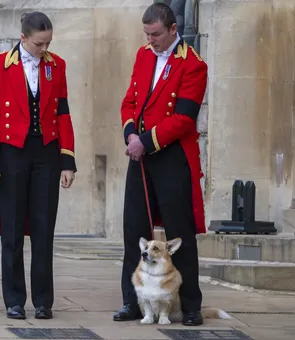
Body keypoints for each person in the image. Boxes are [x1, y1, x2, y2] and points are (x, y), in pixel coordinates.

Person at [113, 3, 208, 326]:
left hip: (171, 156)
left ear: (172, 29)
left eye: (155, 34)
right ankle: (133, 301)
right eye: (147, 34)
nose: (150, 40)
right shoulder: (143, 55)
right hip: (140, 154)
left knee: (180, 232)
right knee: (134, 230)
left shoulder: (193, 64)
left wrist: (146, 140)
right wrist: (130, 134)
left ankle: (191, 304)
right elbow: (130, 101)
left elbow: (184, 117)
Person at [0, 11, 77, 320]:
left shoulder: (56, 65)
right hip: (11, 154)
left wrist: (67, 160)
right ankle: (14, 300)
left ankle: (44, 300)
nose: (44, 49)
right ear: (23, 39)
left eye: (48, 43)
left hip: (46, 153)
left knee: (43, 227)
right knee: (12, 230)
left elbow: (63, 113)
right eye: (38, 44)